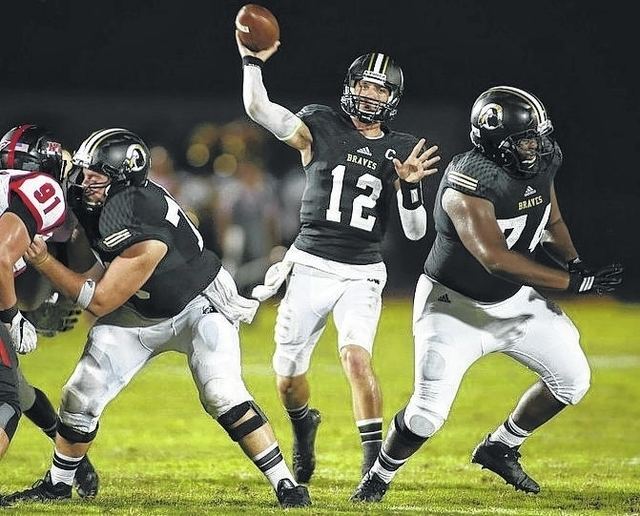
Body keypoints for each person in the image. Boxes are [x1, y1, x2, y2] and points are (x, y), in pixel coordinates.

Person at [2, 128, 310, 508]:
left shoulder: (143, 220)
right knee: (80, 394)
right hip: (139, 310)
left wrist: (43, 262)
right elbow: (76, 243)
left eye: (97, 176)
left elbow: (100, 300)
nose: (85, 183)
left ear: (123, 180)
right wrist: (55, 286)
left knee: (221, 393)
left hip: (198, 306)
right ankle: (58, 484)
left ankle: (286, 484)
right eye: (84, 172)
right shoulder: (96, 198)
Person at [351, 86, 624, 502]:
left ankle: (501, 446)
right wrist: (572, 285)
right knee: (426, 416)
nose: (537, 146)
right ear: (495, 140)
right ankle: (378, 477)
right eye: (525, 139)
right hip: (452, 307)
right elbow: (494, 257)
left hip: (512, 302)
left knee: (573, 380)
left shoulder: (544, 159)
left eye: (537, 136)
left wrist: (574, 263)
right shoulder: (469, 180)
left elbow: (550, 218)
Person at [236, 33, 441, 483]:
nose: (369, 94)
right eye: (363, 85)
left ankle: (373, 466)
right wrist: (252, 62)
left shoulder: (403, 146)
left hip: (362, 271)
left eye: (379, 88)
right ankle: (302, 426)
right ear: (350, 86)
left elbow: (415, 232)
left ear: (392, 98)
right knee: (288, 378)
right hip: (309, 264)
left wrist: (408, 186)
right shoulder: (321, 124)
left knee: (356, 358)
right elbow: (260, 110)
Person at [0, 124, 99, 498]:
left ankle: (76, 461)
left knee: (20, 391)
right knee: (4, 400)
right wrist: (12, 318)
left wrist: (27, 312)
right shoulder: (40, 188)